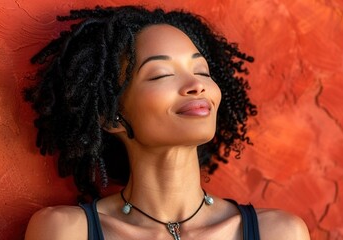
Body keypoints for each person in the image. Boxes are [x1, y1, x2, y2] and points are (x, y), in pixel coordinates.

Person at [24, 6, 310, 240]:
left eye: (202, 70)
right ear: (111, 116)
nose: (196, 84)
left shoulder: (279, 233)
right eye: (161, 74)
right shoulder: (66, 231)